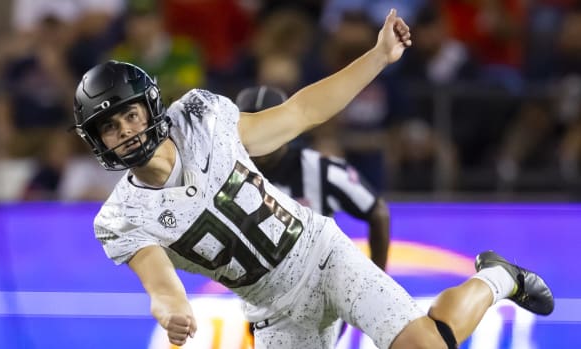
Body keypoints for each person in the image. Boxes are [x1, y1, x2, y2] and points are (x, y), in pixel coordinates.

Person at [72, 9, 553, 349]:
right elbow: (160, 282)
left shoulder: (201, 118)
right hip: (274, 309)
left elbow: (301, 111)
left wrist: (379, 56)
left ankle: (496, 277)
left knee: (423, 346)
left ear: (150, 106)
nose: (125, 132)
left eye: (129, 115)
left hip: (322, 255)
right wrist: (171, 311)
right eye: (109, 128)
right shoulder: (121, 216)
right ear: (96, 141)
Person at [235, 85, 390, 270]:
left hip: (315, 288)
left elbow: (377, 211)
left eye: (266, 125)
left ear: (285, 128)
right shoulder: (228, 168)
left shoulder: (320, 169)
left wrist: (378, 279)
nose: (257, 135)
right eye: (251, 127)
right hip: (257, 291)